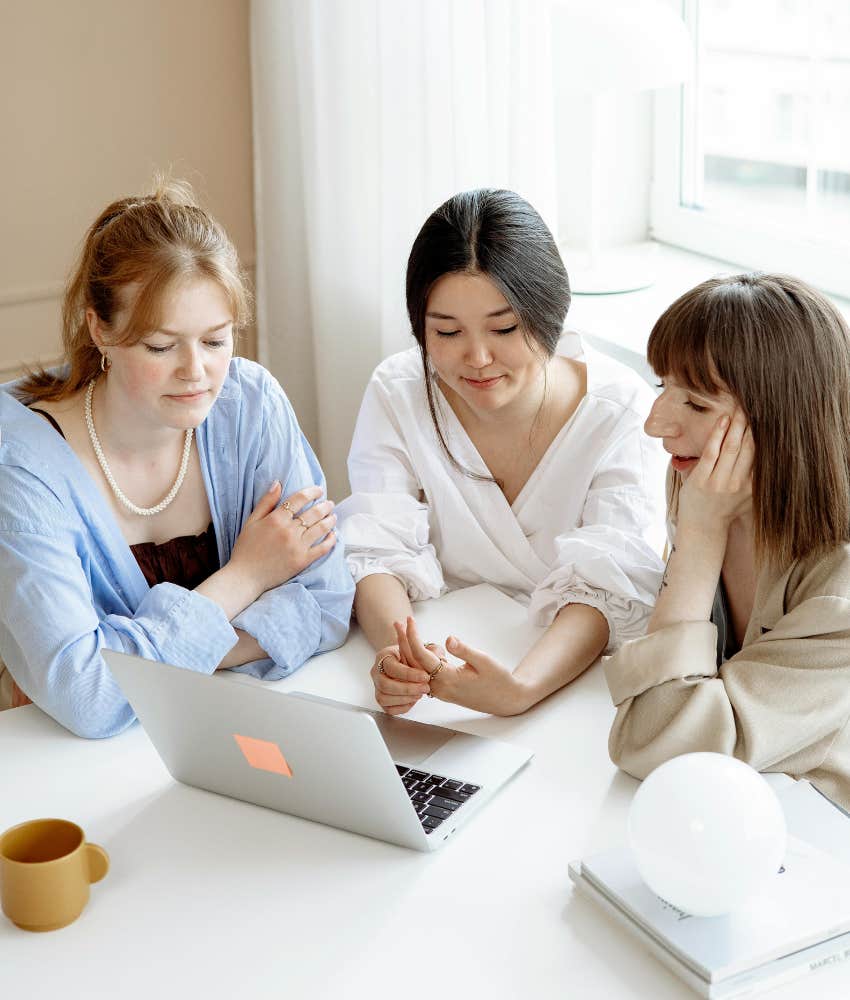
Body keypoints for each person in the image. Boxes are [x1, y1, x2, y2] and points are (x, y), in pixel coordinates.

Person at [0, 180, 354, 737]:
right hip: (66, 761)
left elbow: (329, 601)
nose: (196, 372)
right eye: (162, 347)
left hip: (230, 730)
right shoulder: (22, 468)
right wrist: (248, 576)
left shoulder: (250, 405)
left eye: (215, 341)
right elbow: (87, 696)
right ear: (100, 328)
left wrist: (144, 662)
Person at [337, 188, 666, 717]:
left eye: (505, 328)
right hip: (434, 664)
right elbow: (376, 545)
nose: (478, 358)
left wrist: (520, 689)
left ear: (549, 311)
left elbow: (609, 586)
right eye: (446, 331)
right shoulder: (399, 390)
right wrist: (399, 656)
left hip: (567, 679)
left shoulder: (619, 411)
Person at [605, 273, 850, 809]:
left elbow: (654, 741)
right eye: (660, 387)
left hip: (820, 833)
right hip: (734, 804)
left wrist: (699, 540)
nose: (655, 424)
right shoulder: (703, 484)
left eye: (695, 404)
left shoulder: (841, 587)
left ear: (784, 422)